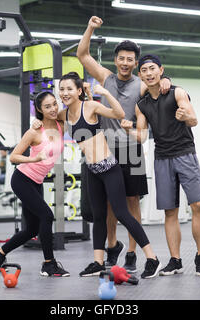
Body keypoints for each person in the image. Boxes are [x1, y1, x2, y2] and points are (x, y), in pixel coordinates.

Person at [76, 16, 171, 272]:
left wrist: (166, 80)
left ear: (136, 63)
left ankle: (131, 251)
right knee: (107, 205)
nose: (126, 63)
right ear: (115, 59)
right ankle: (112, 245)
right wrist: (91, 28)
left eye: (131, 59)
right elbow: (82, 54)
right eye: (122, 58)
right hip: (103, 151)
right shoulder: (105, 77)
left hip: (131, 150)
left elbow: (159, 85)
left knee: (131, 203)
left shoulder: (141, 83)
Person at [50, 72, 161, 278]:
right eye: (62, 89)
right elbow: (47, 118)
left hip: (109, 168)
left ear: (79, 90)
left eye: (69, 89)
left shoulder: (90, 107)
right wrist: (38, 123)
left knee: (122, 213)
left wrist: (106, 93)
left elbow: (119, 114)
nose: (65, 93)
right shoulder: (63, 115)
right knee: (99, 217)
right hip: (92, 171)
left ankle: (152, 258)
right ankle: (98, 262)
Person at [121, 54, 200, 276]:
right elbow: (141, 137)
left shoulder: (177, 92)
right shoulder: (142, 105)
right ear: (140, 75)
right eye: (144, 70)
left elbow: (194, 120)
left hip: (185, 155)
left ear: (161, 70)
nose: (149, 73)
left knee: (197, 206)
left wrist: (184, 116)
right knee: (170, 212)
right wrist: (128, 129)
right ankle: (175, 260)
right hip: (161, 159)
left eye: (152, 69)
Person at [0, 91, 70, 277]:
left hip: (37, 182)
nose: (52, 108)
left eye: (54, 104)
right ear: (39, 110)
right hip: (23, 179)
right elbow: (13, 157)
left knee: (32, 229)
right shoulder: (34, 131)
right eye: (47, 106)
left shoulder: (61, 125)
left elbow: (75, 108)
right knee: (47, 216)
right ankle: (49, 264)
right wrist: (34, 159)